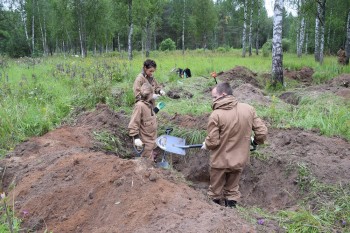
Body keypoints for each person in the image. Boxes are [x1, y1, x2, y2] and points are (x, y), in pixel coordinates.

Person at [201, 82, 268, 208]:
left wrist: (207, 144)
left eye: (214, 97)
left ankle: (214, 214)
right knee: (232, 190)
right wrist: (255, 141)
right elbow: (262, 132)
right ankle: (232, 214)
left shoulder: (216, 115)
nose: (213, 100)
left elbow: (213, 141)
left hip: (220, 161)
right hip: (239, 159)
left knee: (215, 191)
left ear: (223, 94)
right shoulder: (248, 109)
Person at [128, 83, 160, 160]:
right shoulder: (139, 106)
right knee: (147, 164)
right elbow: (134, 123)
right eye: (152, 94)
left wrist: (157, 108)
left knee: (151, 156)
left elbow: (149, 116)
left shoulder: (149, 103)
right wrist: (136, 138)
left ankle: (152, 158)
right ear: (149, 94)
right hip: (145, 143)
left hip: (152, 140)